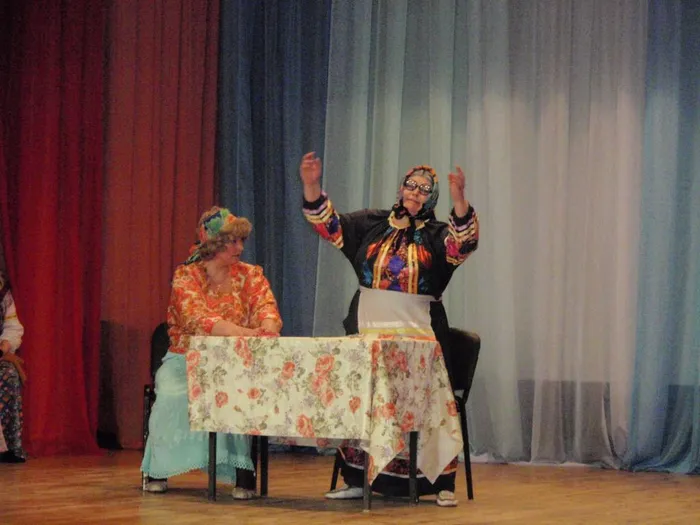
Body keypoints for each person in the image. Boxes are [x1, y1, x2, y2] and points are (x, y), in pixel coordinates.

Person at [300, 152, 479, 507]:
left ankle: (438, 483)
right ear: (400, 188)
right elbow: (329, 224)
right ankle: (358, 477)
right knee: (365, 402)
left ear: (432, 198)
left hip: (418, 334)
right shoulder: (372, 223)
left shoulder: (437, 236)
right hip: (369, 329)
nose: (415, 192)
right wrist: (311, 186)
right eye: (411, 185)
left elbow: (463, 243)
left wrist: (460, 200)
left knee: (425, 407)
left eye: (424, 189)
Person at [141, 207, 283, 499]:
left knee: (239, 393)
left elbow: (266, 308)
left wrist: (267, 328)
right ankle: (159, 469)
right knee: (171, 393)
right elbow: (197, 319)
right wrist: (245, 332)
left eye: (241, 241)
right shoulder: (186, 276)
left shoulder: (251, 275)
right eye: (233, 242)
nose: (240, 248)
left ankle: (242, 472)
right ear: (215, 244)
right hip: (186, 357)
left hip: (235, 360)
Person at [0, 270, 27, 463]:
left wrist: (4, 345)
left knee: (9, 374)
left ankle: (10, 446)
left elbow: (13, 327)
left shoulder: (2, 291)